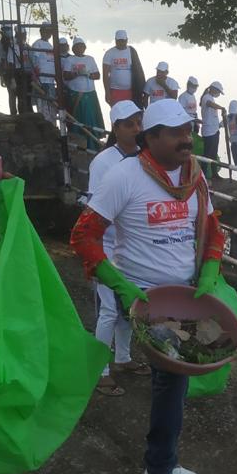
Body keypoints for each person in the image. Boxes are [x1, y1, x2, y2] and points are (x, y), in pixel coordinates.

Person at [70, 99, 223, 474]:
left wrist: (209, 270)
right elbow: (83, 237)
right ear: (150, 138)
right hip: (143, 298)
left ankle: (166, 463)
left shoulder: (195, 177)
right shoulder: (125, 177)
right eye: (175, 132)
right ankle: (158, 470)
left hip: (185, 297)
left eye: (188, 130)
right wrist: (118, 285)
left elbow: (212, 229)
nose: (186, 139)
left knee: (176, 381)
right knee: (171, 379)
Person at [83, 100, 147, 396]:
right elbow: (96, 211)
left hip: (132, 247)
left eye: (138, 123)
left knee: (128, 308)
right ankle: (100, 370)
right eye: (129, 124)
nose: (136, 129)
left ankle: (123, 358)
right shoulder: (104, 161)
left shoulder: (144, 158)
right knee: (108, 309)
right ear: (116, 128)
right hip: (107, 246)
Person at [63, 36, 104, 150]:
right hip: (75, 93)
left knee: (90, 118)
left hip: (89, 93)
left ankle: (93, 143)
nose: (79, 49)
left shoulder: (90, 59)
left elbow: (98, 75)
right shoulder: (70, 60)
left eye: (81, 47)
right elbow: (65, 76)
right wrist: (76, 73)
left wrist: (88, 74)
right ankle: (78, 143)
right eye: (77, 47)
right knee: (77, 118)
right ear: (73, 48)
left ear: (85, 47)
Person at [102, 29, 145, 108]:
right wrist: (107, 92)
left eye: (123, 41)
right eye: (119, 41)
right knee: (118, 115)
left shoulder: (132, 51)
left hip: (131, 90)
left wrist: (141, 89)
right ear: (115, 40)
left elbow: (139, 71)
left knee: (131, 115)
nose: (121, 43)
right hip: (115, 90)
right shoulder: (109, 53)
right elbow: (105, 74)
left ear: (127, 40)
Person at [31, 21, 57, 123]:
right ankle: (45, 127)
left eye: (50, 31)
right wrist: (38, 80)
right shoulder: (37, 44)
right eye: (46, 31)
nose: (48, 33)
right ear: (41, 31)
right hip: (42, 80)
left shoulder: (50, 46)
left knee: (52, 107)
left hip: (50, 81)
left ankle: (53, 127)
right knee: (42, 108)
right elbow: (34, 61)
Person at [199, 81, 226, 178]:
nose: (218, 94)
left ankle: (215, 174)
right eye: (218, 91)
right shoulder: (206, 97)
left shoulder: (211, 98)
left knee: (214, 154)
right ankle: (203, 175)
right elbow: (210, 104)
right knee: (207, 154)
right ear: (213, 89)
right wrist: (221, 108)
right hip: (209, 131)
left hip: (214, 130)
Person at [176, 76, 203, 157]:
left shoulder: (193, 96)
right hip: (187, 121)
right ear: (188, 85)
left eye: (195, 87)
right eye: (193, 86)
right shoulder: (183, 96)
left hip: (194, 121)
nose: (194, 88)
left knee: (194, 140)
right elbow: (181, 112)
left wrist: (197, 122)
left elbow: (194, 111)